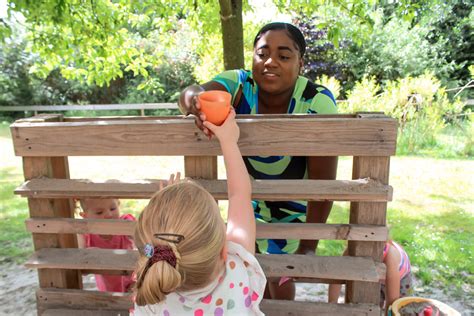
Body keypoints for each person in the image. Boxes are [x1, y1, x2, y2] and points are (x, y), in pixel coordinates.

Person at [178, 21, 338, 300]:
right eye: (262, 53)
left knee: (280, 273)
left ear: (300, 63)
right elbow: (192, 92)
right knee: (248, 271)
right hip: (247, 203)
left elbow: (322, 187)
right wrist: (195, 102)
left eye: (284, 56)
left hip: (293, 207)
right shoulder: (239, 84)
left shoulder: (316, 101)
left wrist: (308, 244)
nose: (270, 62)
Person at [133, 109, 266, 315]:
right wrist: (229, 141)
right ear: (224, 251)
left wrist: (166, 212)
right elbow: (239, 195)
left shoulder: (151, 294)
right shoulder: (238, 270)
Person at [328, 240, 413, 310]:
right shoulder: (352, 250)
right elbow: (337, 276)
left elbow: (392, 301)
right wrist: (332, 305)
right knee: (371, 305)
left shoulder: (390, 256)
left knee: (401, 307)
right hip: (374, 277)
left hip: (401, 279)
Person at [77, 198, 135, 292]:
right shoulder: (86, 235)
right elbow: (81, 264)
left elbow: (142, 241)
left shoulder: (125, 222)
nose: (109, 215)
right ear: (85, 216)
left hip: (133, 280)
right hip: (108, 288)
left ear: (119, 205)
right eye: (99, 212)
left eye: (113, 208)